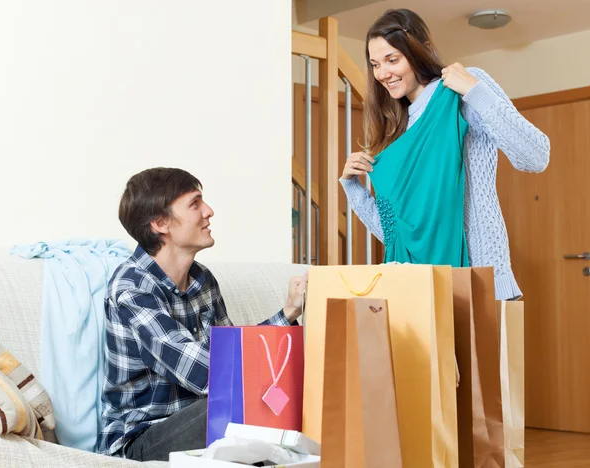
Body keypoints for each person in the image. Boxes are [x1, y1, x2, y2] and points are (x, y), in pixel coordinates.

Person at [97, 167, 307, 461]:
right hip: (141, 440)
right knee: (245, 403)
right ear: (160, 223)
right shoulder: (132, 288)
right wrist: (273, 386)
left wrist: (289, 312)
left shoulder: (202, 280)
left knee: (276, 396)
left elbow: (234, 354)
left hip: (206, 420)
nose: (209, 211)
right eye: (195, 204)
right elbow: (207, 372)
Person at [340, 8, 550, 300]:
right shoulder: (396, 133)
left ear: (418, 51)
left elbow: (535, 156)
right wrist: (353, 188)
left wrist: (474, 90)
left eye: (392, 59)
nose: (383, 73)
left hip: (481, 282)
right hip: (423, 291)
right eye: (375, 64)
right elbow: (399, 232)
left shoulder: (460, 91)